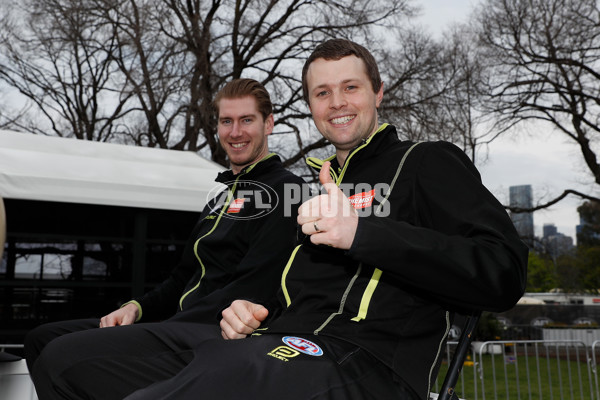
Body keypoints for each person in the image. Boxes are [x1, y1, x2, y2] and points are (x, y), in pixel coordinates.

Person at [37, 40, 528, 400]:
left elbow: (503, 272)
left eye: (350, 87)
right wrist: (253, 307)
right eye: (322, 93)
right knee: (63, 359)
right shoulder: (314, 188)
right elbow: (290, 287)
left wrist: (363, 233)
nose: (337, 102)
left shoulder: (425, 162)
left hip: (365, 361)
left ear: (379, 93)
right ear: (310, 106)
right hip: (271, 342)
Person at [28, 78, 307, 399]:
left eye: (247, 120)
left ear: (268, 123)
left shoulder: (287, 191)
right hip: (173, 324)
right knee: (41, 338)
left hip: (211, 334)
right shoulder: (219, 197)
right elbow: (180, 278)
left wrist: (163, 326)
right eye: (226, 121)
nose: (235, 132)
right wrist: (137, 308)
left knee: (60, 356)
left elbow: (252, 288)